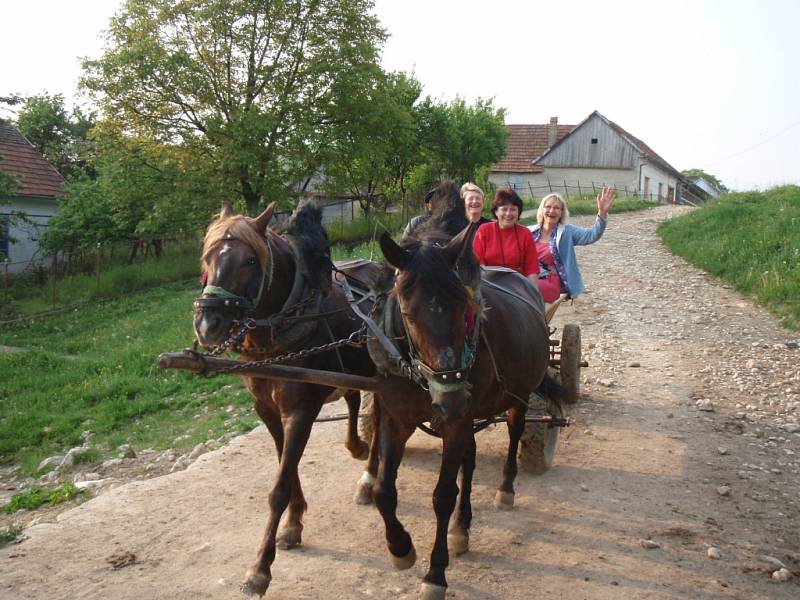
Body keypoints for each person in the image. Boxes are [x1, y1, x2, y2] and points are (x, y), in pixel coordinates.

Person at [529, 186, 616, 303]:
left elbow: (592, 235)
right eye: (548, 207)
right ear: (542, 210)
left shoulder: (567, 232)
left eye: (556, 208)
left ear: (561, 213)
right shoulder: (529, 231)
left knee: (525, 287)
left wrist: (602, 212)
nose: (551, 211)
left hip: (549, 281)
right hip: (528, 277)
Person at [472, 187, 540, 287]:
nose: (508, 213)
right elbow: (478, 262)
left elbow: (531, 269)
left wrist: (534, 295)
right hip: (488, 283)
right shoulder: (484, 230)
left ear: (519, 212)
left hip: (516, 285)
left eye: (513, 209)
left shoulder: (525, 233)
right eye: (504, 209)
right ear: (496, 211)